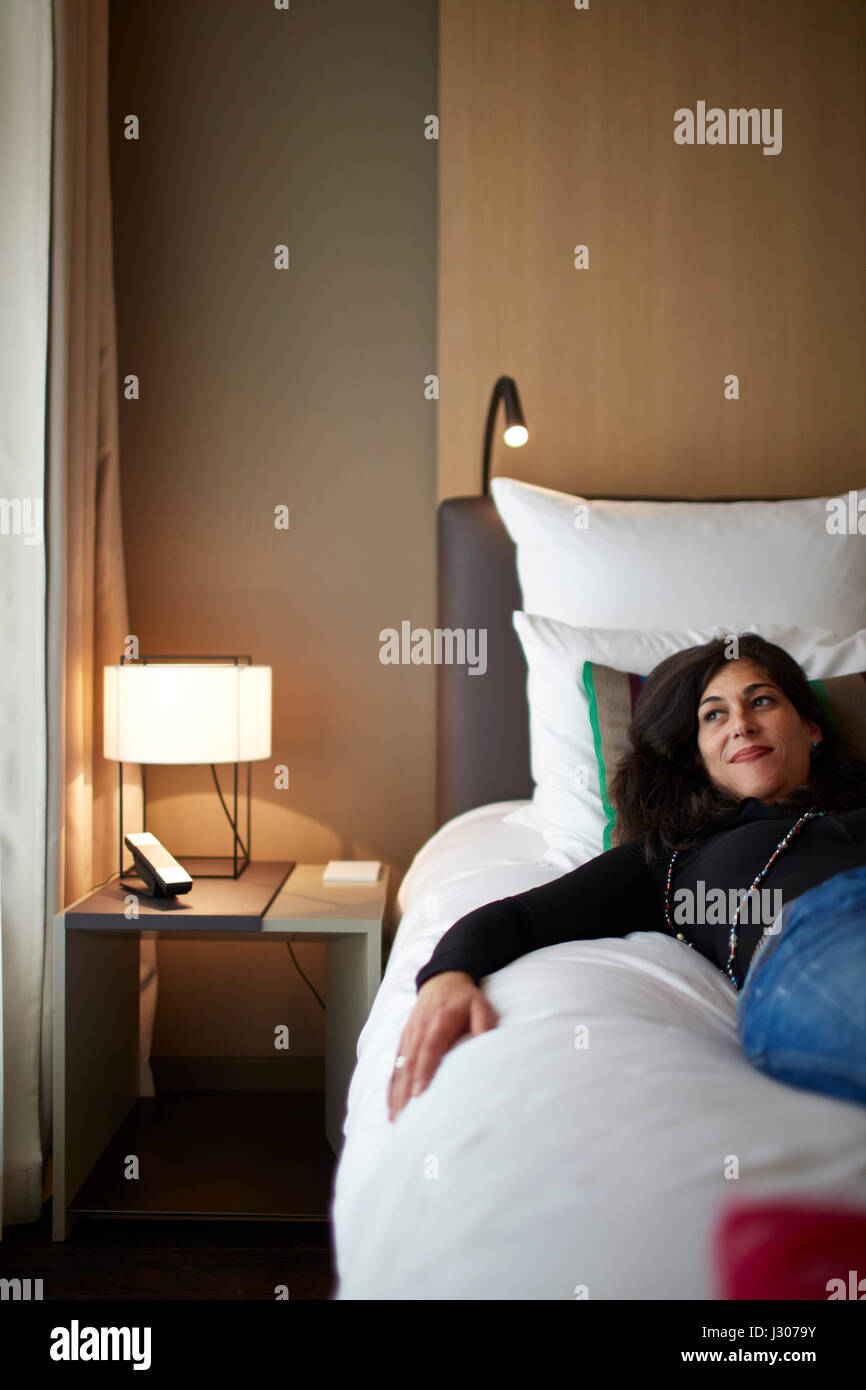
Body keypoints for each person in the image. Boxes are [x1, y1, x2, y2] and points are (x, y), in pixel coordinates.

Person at [388, 633, 866, 1121]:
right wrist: (446, 975)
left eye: (761, 700)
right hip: (820, 938)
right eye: (714, 714)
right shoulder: (672, 860)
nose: (741, 724)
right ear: (696, 755)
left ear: (811, 728)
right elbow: (520, 917)